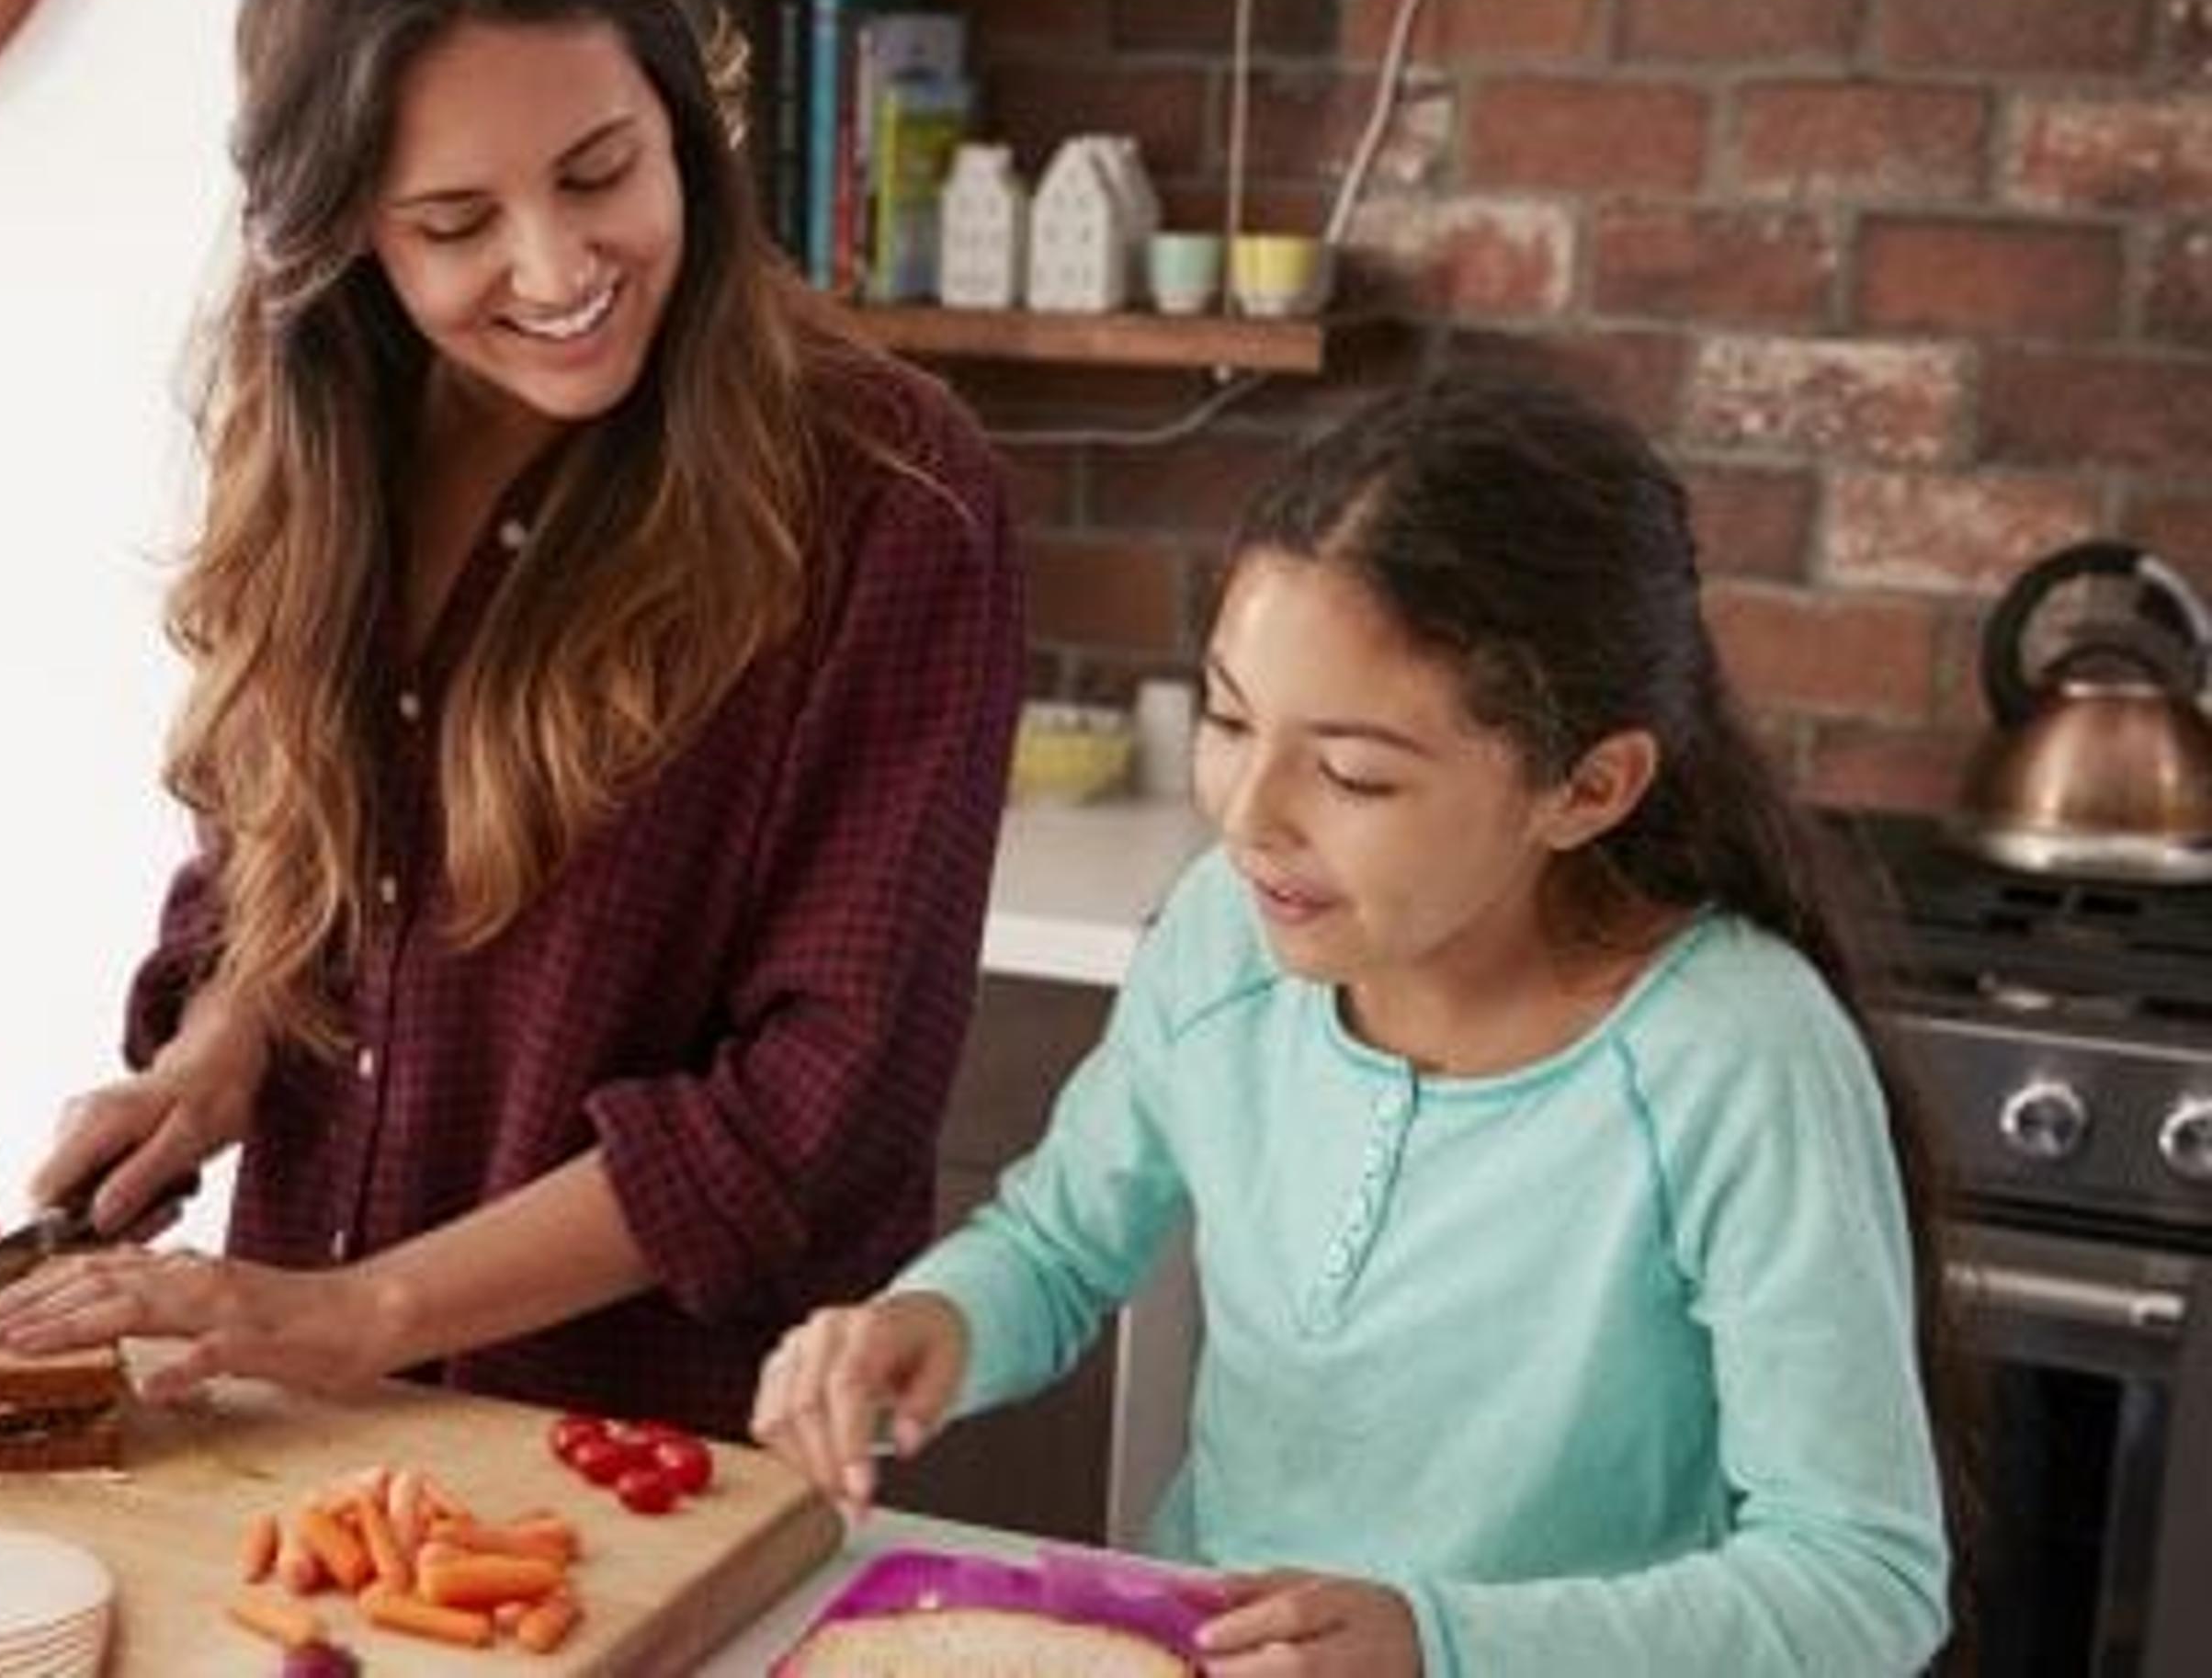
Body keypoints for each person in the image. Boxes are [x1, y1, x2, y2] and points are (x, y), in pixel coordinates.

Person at [0, 0, 1020, 1440]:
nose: (557, 267)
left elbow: (817, 1106)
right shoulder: (323, 437)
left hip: (657, 1459)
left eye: (600, 172)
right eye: (456, 222)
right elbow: (285, 850)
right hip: (301, 1428)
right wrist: (216, 1056)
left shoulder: (892, 496)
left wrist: (367, 1311)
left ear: (683, 120)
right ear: (342, 229)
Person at [752, 373, 1957, 1676]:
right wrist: (935, 1324)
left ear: (1588, 788)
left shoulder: (1731, 1059)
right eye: (1226, 718)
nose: (1250, 813)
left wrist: (1437, 1645)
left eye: (1353, 773)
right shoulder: (1226, 933)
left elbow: (1862, 1583)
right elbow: (1057, 1243)